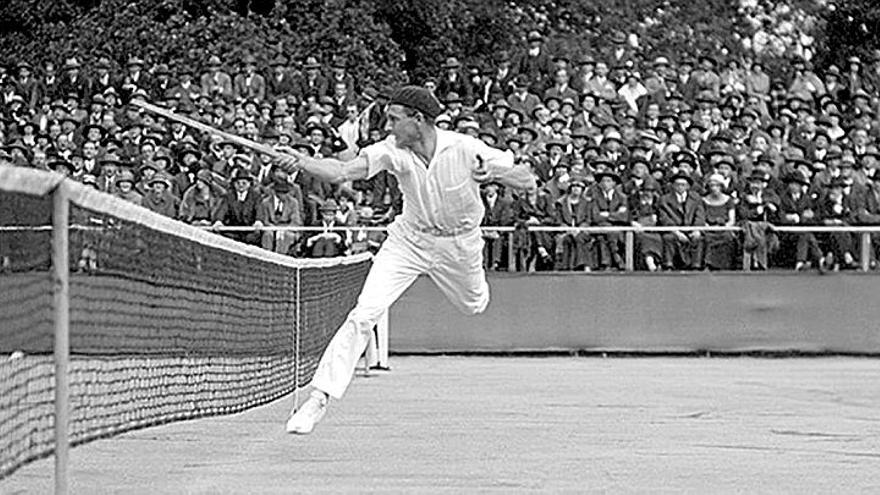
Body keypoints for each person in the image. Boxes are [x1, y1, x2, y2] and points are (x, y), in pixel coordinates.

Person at [275, 86, 536, 434]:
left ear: (418, 120)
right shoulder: (390, 150)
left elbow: (528, 179)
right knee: (364, 313)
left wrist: (495, 175)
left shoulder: (467, 148)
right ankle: (319, 398)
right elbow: (341, 172)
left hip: (459, 246)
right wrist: (302, 161)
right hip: (408, 241)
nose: (389, 125)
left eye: (395, 119)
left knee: (474, 305)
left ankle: (474, 289)